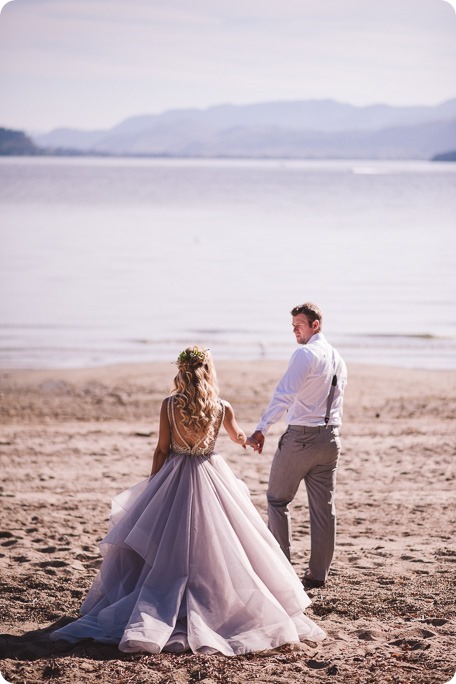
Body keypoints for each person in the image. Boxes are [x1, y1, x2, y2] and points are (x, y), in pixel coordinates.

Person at [50, 346, 325, 655]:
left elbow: (161, 449)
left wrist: (155, 483)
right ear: (208, 371)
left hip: (176, 472)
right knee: (217, 542)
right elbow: (237, 437)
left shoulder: (169, 406)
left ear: (181, 371)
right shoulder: (221, 407)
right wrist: (251, 440)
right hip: (210, 472)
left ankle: (164, 600)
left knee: (169, 541)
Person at [247, 303, 347, 589]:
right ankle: (318, 575)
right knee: (323, 509)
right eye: (293, 325)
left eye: (299, 325)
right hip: (330, 439)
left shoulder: (306, 353)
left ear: (316, 325)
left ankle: (281, 572)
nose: (294, 330)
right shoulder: (338, 358)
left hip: (301, 438)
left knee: (277, 501)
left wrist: (261, 429)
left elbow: (283, 395)